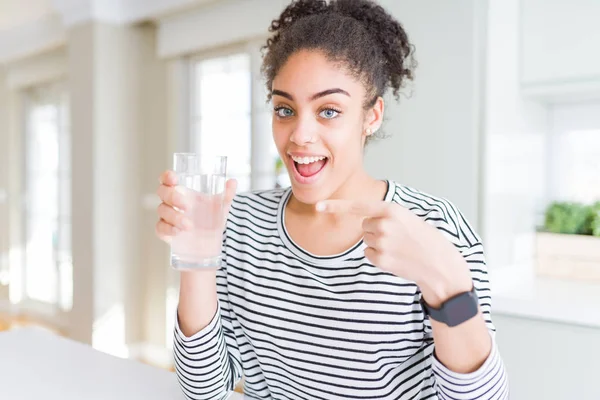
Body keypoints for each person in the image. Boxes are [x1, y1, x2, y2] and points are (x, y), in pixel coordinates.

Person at [155, 0, 509, 399]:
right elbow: (205, 388)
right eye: (285, 109)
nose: (300, 135)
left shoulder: (433, 226)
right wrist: (198, 260)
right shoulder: (238, 223)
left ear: (371, 116)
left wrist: (447, 284)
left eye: (328, 111)